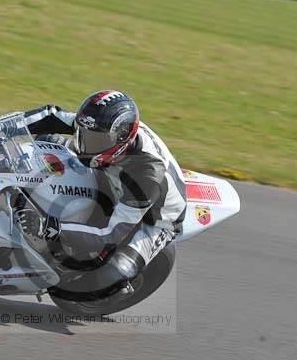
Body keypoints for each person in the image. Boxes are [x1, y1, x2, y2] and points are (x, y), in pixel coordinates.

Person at [15, 90, 187, 299]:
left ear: (122, 140)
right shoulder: (102, 126)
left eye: (94, 140)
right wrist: (5, 127)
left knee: (113, 273)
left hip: (154, 219)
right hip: (111, 173)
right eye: (83, 134)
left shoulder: (148, 176)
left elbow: (109, 234)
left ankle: (104, 289)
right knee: (46, 141)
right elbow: (52, 115)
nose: (84, 144)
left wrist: (48, 227)